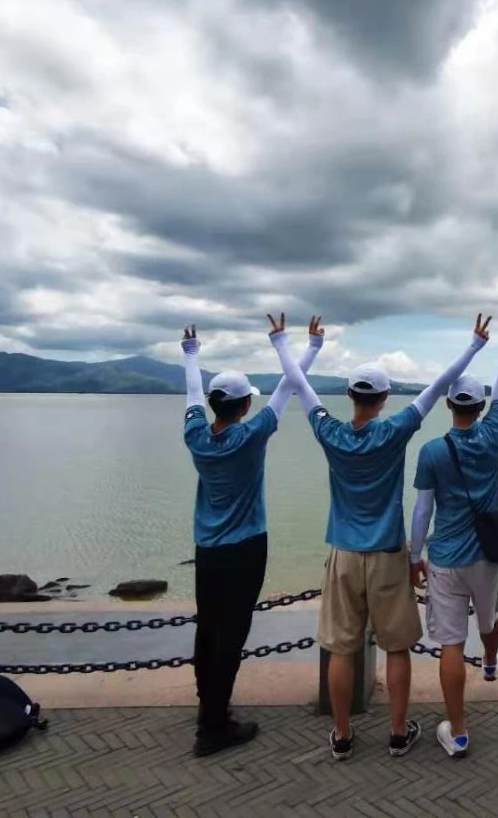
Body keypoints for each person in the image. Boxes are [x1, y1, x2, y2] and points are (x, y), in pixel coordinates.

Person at [272, 311, 492, 761]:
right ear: (386, 397)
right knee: (396, 647)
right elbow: (438, 386)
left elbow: (299, 386)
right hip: (389, 552)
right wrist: (474, 344)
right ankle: (396, 732)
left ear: (349, 395)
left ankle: (342, 735)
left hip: (344, 552)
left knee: (340, 648)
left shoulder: (330, 432)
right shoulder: (394, 431)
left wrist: (286, 344)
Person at [180, 314, 325, 757]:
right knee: (232, 633)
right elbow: (288, 387)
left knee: (208, 628)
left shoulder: (195, 435)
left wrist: (191, 354)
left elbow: (192, 394)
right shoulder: (253, 435)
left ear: (215, 406)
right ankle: (214, 727)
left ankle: (208, 704)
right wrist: (310, 347)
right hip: (245, 548)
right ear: (244, 406)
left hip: (207, 548)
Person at [409, 297, 498, 758]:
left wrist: (413, 556)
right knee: (490, 618)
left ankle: (458, 730)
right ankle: (493, 660)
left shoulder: (432, 452)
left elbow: (422, 512)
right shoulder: (495, 433)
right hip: (487, 554)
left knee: (450, 644)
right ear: (480, 406)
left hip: (445, 558)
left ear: (447, 405)